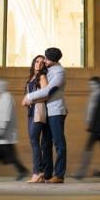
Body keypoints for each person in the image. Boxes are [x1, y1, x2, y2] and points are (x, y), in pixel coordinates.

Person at [23, 47, 67, 183]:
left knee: (58, 143)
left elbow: (48, 91)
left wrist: (29, 97)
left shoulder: (59, 72)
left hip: (56, 111)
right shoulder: (49, 69)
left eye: (47, 59)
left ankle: (59, 175)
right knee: (45, 143)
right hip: (47, 111)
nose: (44, 61)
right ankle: (47, 174)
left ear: (53, 61)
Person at [0, 79, 29, 181]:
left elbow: (5, 115)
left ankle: (22, 170)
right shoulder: (1, 98)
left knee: (7, 155)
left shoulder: (6, 98)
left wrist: (2, 129)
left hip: (2, 132)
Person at [72, 76, 100, 179]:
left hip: (98, 128)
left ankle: (81, 172)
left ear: (98, 84)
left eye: (93, 84)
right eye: (90, 84)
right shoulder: (94, 95)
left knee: (88, 148)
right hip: (95, 127)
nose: (91, 86)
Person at [24, 55, 52, 183]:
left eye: (42, 62)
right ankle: (39, 173)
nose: (39, 64)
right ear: (33, 62)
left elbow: (46, 95)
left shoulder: (42, 77)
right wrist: (26, 100)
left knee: (34, 141)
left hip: (39, 110)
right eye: (37, 61)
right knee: (33, 141)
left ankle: (37, 172)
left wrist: (31, 99)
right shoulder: (31, 77)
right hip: (31, 111)